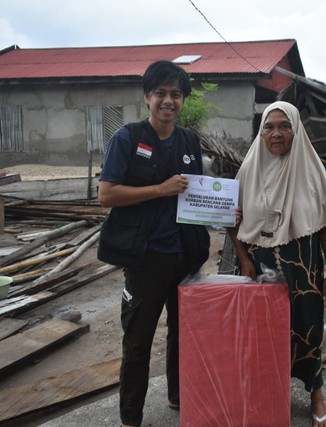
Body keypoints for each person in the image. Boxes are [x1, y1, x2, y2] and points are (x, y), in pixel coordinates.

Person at [97, 60, 208, 427]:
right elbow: (107, 195)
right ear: (147, 97)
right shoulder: (127, 138)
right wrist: (159, 190)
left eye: (175, 94)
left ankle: (177, 398)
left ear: (182, 101)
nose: (168, 101)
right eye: (160, 93)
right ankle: (131, 418)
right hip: (145, 258)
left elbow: (200, 196)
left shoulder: (190, 140)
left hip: (186, 256)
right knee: (138, 342)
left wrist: (224, 213)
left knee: (184, 336)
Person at [228, 101, 326, 427]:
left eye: (284, 126)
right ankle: (266, 394)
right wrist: (242, 259)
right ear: (260, 131)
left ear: (295, 128)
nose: (276, 133)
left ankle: (315, 395)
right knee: (261, 333)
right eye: (269, 127)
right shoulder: (250, 168)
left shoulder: (309, 168)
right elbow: (228, 217)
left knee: (308, 329)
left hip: (304, 266)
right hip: (258, 266)